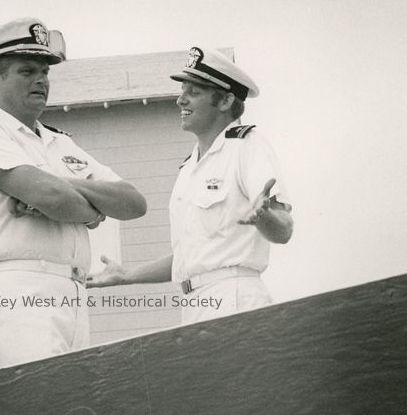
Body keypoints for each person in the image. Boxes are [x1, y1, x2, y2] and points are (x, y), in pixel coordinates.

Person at [0, 17, 147, 371]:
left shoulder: (59, 142)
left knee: (71, 410)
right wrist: (92, 212)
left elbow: (133, 202)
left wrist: (60, 185)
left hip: (71, 289)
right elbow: (51, 196)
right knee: (33, 410)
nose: (41, 80)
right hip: (16, 288)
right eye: (27, 71)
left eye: (45, 72)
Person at [88, 45, 293, 324]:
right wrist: (126, 275)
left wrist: (264, 216)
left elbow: (283, 230)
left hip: (233, 298)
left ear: (225, 102)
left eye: (193, 93)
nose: (180, 101)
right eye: (182, 92)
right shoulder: (190, 168)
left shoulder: (247, 147)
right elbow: (190, 259)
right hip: (195, 302)